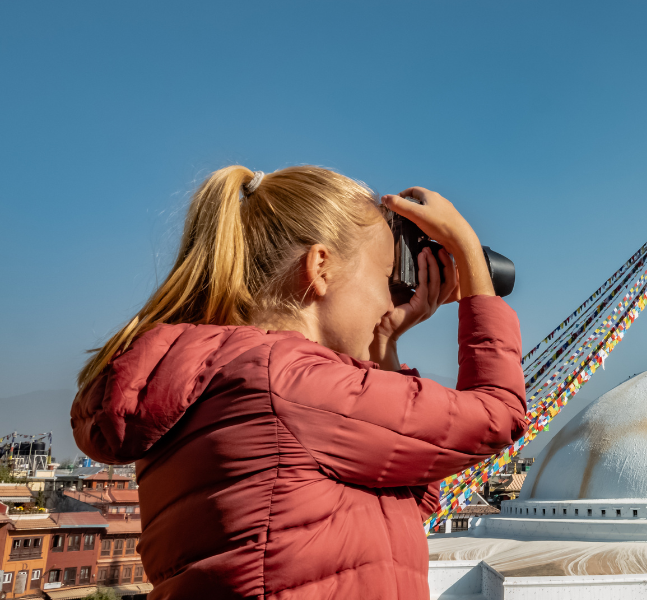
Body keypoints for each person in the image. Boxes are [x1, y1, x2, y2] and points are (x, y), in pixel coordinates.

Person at [70, 166, 528, 599]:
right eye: (386, 276)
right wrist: (469, 258)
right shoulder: (287, 382)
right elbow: (497, 415)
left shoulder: (228, 377)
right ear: (320, 267)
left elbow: (412, 494)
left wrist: (385, 349)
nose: (391, 298)